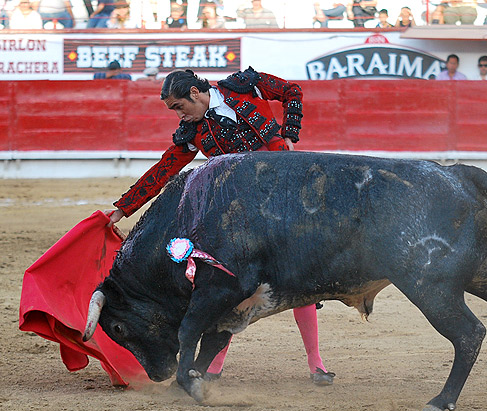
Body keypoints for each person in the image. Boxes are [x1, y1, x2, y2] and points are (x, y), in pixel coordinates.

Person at [106, 67, 335, 386]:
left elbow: (292, 91)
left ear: (195, 94)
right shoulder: (193, 131)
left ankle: (316, 364)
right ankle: (213, 367)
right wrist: (122, 209)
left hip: (286, 197)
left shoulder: (244, 87)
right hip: (244, 212)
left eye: (178, 106)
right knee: (231, 283)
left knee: (299, 281)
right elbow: (163, 171)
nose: (179, 115)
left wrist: (288, 134)